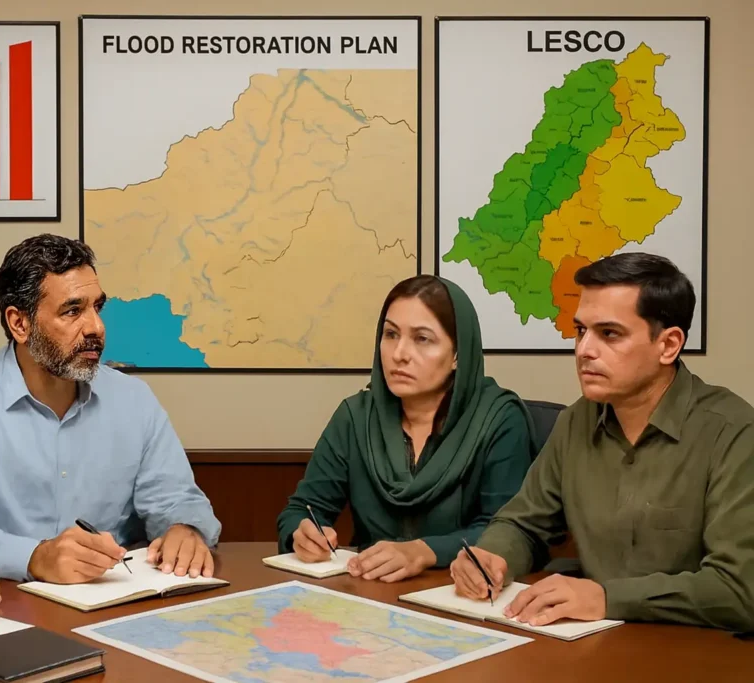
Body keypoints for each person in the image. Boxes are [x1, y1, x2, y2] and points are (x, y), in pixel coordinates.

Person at [451, 253, 754, 632]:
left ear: (668, 345)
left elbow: (740, 590)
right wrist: (492, 555)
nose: (584, 350)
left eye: (609, 334)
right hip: (593, 642)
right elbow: (526, 524)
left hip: (697, 651)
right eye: (581, 331)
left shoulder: (733, 431)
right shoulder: (577, 420)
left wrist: (607, 598)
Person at [0, 234, 221, 584]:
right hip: (7, 599)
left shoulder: (133, 399)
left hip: (113, 595)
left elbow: (176, 498)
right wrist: (34, 557)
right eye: (73, 310)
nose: (96, 327)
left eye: (97, 307)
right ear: (19, 324)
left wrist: (185, 529)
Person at [276, 275, 537, 582]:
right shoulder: (356, 416)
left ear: (457, 354)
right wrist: (302, 532)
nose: (399, 354)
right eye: (390, 334)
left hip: (460, 593)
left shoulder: (499, 419)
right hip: (372, 592)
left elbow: (506, 532)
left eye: (422, 339)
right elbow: (302, 510)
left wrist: (424, 551)